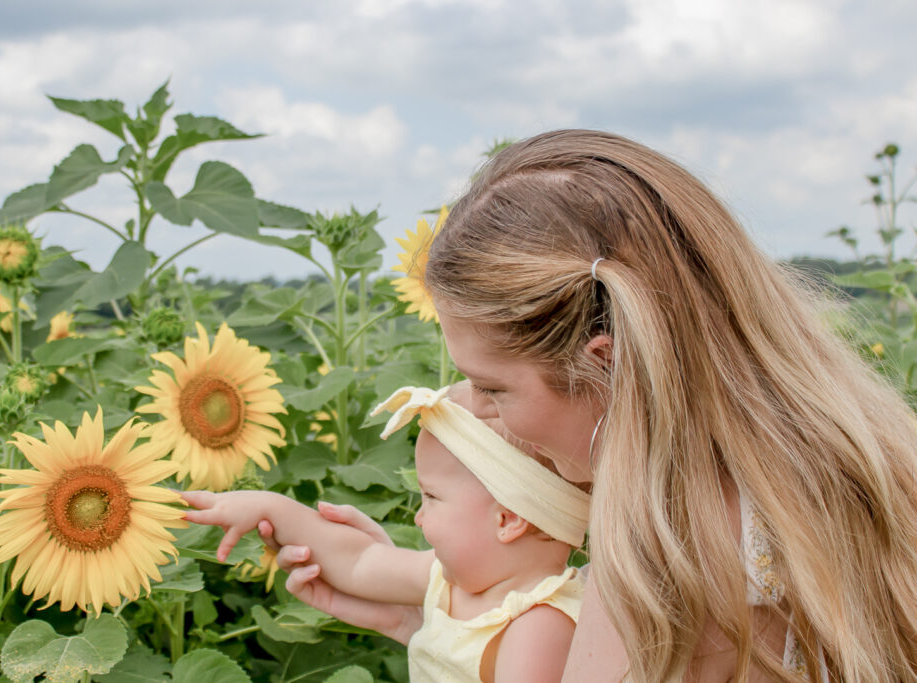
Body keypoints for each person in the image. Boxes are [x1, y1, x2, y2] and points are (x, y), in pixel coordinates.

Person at [277, 130, 917, 682]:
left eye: (495, 389)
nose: (482, 413)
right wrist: (448, 634)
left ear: (603, 363)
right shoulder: (839, 464)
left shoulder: (664, 560)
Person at [183, 384, 592, 682]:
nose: (418, 516)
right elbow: (358, 561)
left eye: (430, 496)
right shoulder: (449, 582)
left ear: (507, 521)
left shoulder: (538, 627)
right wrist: (271, 508)